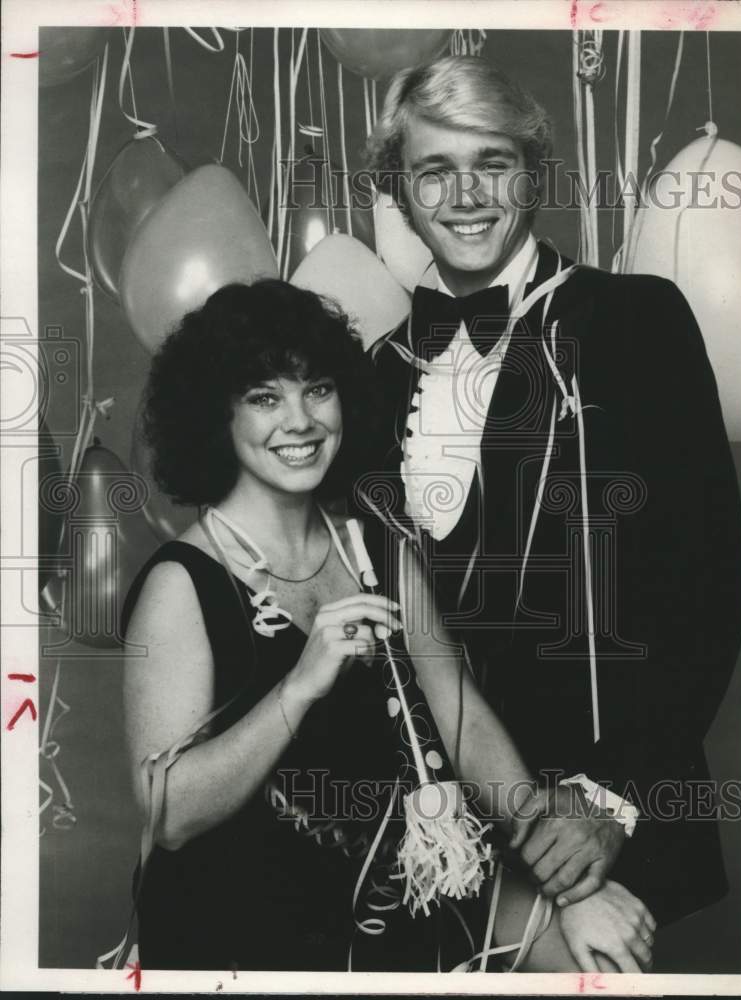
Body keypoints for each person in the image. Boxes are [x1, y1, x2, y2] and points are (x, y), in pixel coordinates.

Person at [122, 279, 653, 973]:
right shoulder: (180, 582)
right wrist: (298, 688)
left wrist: (564, 878)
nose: (300, 421)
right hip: (239, 921)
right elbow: (168, 813)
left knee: (608, 958)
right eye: (263, 398)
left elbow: (459, 717)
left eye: (316, 389)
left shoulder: (376, 546)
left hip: (395, 889)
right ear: (214, 418)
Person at [363, 54, 741, 960]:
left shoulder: (634, 321)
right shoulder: (376, 370)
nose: (464, 196)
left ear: (532, 172)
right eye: (433, 171)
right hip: (441, 845)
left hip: (612, 835)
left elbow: (707, 583)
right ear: (398, 189)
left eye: (491, 163)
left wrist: (613, 799)